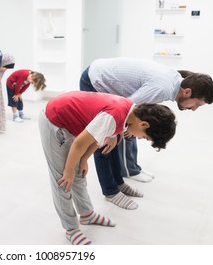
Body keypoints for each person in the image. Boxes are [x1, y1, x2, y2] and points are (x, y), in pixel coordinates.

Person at [38, 90, 176, 245]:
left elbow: (96, 137)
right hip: (55, 120)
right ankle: (71, 229)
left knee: (79, 173)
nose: (139, 138)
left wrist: (84, 159)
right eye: (144, 136)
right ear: (144, 124)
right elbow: (79, 144)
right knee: (63, 180)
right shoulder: (114, 116)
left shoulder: (130, 114)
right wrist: (69, 170)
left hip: (72, 122)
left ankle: (86, 214)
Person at [80, 57, 213, 209]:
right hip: (95, 80)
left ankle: (118, 183)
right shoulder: (162, 89)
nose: (195, 108)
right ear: (187, 92)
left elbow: (130, 108)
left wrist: (120, 131)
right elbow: (124, 108)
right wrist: (112, 133)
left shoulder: (175, 82)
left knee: (116, 138)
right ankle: (110, 191)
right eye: (197, 104)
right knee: (103, 139)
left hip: (106, 77)